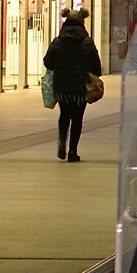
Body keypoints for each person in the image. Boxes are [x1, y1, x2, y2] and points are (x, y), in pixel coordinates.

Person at [43, 8, 102, 162]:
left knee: (64, 115)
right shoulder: (87, 42)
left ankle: (62, 142)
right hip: (80, 87)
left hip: (61, 86)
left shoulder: (57, 41)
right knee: (77, 118)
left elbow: (47, 62)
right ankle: (72, 152)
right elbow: (97, 66)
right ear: (82, 22)